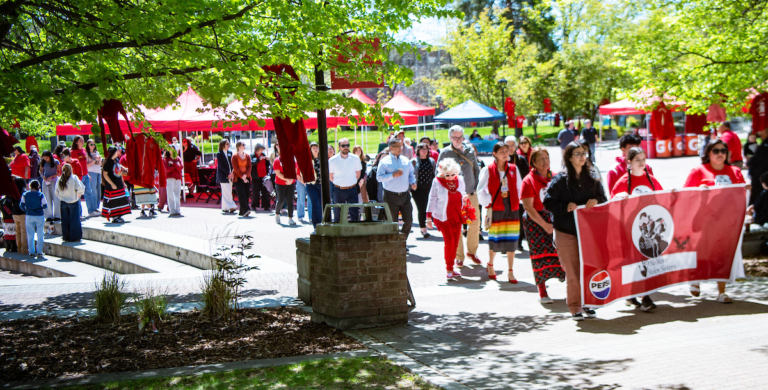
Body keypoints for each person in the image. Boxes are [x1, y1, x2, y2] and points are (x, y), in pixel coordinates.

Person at [544, 142, 607, 321]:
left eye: (584, 153)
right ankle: (575, 306)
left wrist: (596, 200)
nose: (582, 157)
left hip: (587, 232)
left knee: (587, 268)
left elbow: (604, 199)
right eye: (577, 153)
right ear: (569, 157)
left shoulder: (592, 178)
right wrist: (565, 207)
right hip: (566, 231)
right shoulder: (559, 180)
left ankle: (589, 303)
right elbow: (548, 203)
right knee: (572, 270)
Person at [684, 140, 749, 303]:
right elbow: (684, 194)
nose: (720, 153)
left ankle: (721, 292)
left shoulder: (735, 171)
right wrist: (698, 191)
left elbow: (740, 195)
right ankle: (695, 278)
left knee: (723, 254)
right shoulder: (698, 171)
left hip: (726, 221)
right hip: (703, 220)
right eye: (716, 150)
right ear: (708, 153)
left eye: (723, 150)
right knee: (701, 252)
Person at [610, 147, 664, 312]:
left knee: (647, 260)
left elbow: (663, 198)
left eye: (643, 159)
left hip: (649, 230)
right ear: (629, 163)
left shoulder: (651, 179)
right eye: (638, 160)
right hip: (629, 229)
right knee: (633, 263)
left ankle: (645, 297)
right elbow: (611, 204)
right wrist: (617, 198)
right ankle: (631, 294)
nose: (642, 163)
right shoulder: (623, 181)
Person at [521, 147, 566, 303]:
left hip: (555, 217)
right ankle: (542, 292)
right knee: (539, 257)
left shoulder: (555, 177)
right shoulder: (528, 181)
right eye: (541, 158)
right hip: (536, 222)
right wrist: (545, 225)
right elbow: (528, 207)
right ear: (533, 162)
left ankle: (570, 286)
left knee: (562, 253)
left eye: (546, 157)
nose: (545, 161)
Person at [478, 142, 523, 281]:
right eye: (501, 151)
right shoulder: (488, 170)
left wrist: (520, 202)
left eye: (506, 150)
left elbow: (520, 188)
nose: (505, 153)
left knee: (512, 238)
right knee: (495, 238)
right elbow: (480, 191)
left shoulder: (514, 169)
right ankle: (490, 264)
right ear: (494, 154)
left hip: (512, 206)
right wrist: (490, 200)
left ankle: (510, 271)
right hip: (496, 206)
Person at [438, 126, 482, 265]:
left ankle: (472, 252)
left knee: (475, 223)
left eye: (460, 137)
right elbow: (438, 175)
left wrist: (475, 185)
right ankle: (459, 256)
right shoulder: (445, 153)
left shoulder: (469, 150)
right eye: (455, 137)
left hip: (470, 193)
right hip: (454, 196)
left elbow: (476, 169)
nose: (458, 140)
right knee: (456, 226)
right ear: (450, 138)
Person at [427, 159, 466, 279]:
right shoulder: (437, 181)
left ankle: (452, 266)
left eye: (452, 174)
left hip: (457, 216)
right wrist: (428, 217)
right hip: (442, 216)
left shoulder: (460, 180)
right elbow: (432, 198)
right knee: (449, 240)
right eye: (447, 175)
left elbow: (463, 196)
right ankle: (449, 268)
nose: (450, 177)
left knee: (455, 242)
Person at [377, 138, 416, 243]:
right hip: (390, 196)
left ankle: (402, 241)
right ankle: (394, 244)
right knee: (393, 223)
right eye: (398, 146)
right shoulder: (384, 162)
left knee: (408, 220)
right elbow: (379, 177)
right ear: (391, 148)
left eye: (401, 146)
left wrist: (413, 183)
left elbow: (411, 175)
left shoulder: (405, 160)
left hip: (405, 195)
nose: (400, 148)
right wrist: (392, 175)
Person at [329, 138, 362, 222]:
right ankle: (337, 233)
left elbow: (358, 174)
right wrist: (340, 183)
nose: (346, 147)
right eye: (343, 146)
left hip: (352, 189)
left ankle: (354, 233)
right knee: (338, 214)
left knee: (354, 213)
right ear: (339, 147)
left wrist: (350, 182)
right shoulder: (332, 160)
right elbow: (331, 176)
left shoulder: (355, 158)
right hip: (338, 190)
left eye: (347, 145)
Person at [411, 143, 436, 238]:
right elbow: (410, 175)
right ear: (418, 151)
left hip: (430, 188)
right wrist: (411, 185)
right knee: (422, 208)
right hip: (418, 189)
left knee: (430, 207)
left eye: (426, 149)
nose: (424, 151)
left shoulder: (431, 161)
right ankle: (423, 229)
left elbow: (434, 173)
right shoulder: (413, 161)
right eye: (422, 149)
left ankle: (430, 223)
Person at [101, 147, 131, 223]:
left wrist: (123, 182)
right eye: (116, 151)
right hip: (112, 186)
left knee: (120, 200)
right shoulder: (108, 162)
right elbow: (105, 174)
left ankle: (119, 216)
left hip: (119, 184)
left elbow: (119, 172)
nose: (118, 152)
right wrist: (112, 184)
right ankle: (114, 217)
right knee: (114, 201)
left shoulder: (116, 160)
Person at [56, 163, 86, 240]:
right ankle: (74, 237)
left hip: (63, 202)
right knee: (74, 220)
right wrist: (79, 194)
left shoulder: (59, 179)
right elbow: (80, 187)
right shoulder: (74, 178)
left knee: (65, 220)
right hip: (73, 201)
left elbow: (56, 192)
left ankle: (66, 236)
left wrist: (61, 196)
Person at [273, 143, 300, 225]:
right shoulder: (277, 160)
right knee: (281, 200)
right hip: (280, 183)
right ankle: (277, 214)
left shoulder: (292, 160)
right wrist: (286, 179)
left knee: (290, 201)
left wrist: (291, 180)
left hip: (291, 183)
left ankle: (290, 218)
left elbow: (295, 171)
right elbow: (278, 173)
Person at [20, 180, 46, 257]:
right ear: (38, 186)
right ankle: (39, 251)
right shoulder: (41, 194)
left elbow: (21, 205)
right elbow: (45, 205)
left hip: (29, 215)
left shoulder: (25, 194)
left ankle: (31, 251)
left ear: (30, 186)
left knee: (30, 234)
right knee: (40, 234)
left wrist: (26, 210)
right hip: (39, 215)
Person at [70, 136, 91, 216]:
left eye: (83, 140)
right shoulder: (73, 152)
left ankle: (91, 211)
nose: (83, 142)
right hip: (78, 176)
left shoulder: (84, 150)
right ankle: (79, 214)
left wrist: (88, 174)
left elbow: (84, 164)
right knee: (78, 194)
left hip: (85, 175)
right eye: (80, 140)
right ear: (76, 142)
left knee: (88, 193)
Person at [231, 141, 252, 217]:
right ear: (239, 146)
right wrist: (242, 176)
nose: (244, 146)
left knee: (246, 194)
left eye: (244, 144)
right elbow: (235, 168)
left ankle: (242, 211)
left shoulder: (247, 156)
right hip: (238, 177)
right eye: (243, 145)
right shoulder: (234, 156)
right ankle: (246, 209)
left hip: (246, 177)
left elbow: (249, 167)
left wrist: (246, 175)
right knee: (241, 193)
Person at [216, 139, 238, 213]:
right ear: (223, 145)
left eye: (229, 143)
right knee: (227, 191)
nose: (228, 145)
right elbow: (221, 166)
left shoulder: (230, 153)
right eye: (227, 144)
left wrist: (232, 172)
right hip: (223, 175)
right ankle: (231, 206)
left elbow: (232, 164)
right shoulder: (219, 154)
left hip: (230, 174)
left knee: (227, 191)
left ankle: (225, 207)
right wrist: (227, 174)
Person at [748, 126, 768, 205]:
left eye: (762, 131)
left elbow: (756, 159)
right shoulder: (763, 144)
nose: (760, 133)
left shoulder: (764, 145)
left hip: (761, 174)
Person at [39, 150, 61, 222]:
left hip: (54, 181)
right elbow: (41, 170)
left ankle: (57, 215)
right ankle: (48, 215)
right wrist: (43, 176)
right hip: (46, 181)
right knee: (47, 198)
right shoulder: (43, 162)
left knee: (56, 198)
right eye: (44, 157)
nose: (45, 159)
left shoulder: (55, 161)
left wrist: (52, 176)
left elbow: (59, 172)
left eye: (47, 157)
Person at [306, 142, 323, 227]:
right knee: (315, 204)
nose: (316, 149)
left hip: (321, 185)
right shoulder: (308, 160)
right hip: (311, 185)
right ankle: (316, 224)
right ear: (310, 150)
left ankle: (321, 222)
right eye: (313, 148)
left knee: (320, 204)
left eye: (316, 147)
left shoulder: (322, 159)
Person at [250, 144, 272, 211]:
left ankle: (266, 206)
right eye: (261, 150)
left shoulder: (263, 154)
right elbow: (252, 163)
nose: (262, 151)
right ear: (257, 149)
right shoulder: (252, 155)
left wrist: (267, 160)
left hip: (264, 176)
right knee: (255, 191)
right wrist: (259, 159)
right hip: (255, 176)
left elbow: (267, 165)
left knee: (265, 191)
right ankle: (254, 205)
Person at [10, 174, 28, 254]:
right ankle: (24, 249)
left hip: (14, 212)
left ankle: (19, 248)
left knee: (17, 231)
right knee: (24, 231)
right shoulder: (23, 192)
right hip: (22, 212)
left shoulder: (12, 190)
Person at [84, 139, 102, 216]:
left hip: (98, 172)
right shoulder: (86, 154)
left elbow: (100, 165)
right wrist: (94, 159)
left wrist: (99, 160)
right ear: (88, 145)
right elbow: (86, 165)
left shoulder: (96, 153)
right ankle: (93, 208)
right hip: (91, 172)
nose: (93, 146)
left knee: (98, 191)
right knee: (93, 191)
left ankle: (96, 207)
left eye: (94, 144)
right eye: (91, 144)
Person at [163, 150, 183, 216]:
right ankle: (172, 210)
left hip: (178, 178)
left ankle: (177, 209)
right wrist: (175, 167)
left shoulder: (178, 158)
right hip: (170, 178)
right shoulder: (165, 159)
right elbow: (167, 170)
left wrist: (173, 165)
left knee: (177, 195)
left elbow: (181, 167)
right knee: (170, 194)